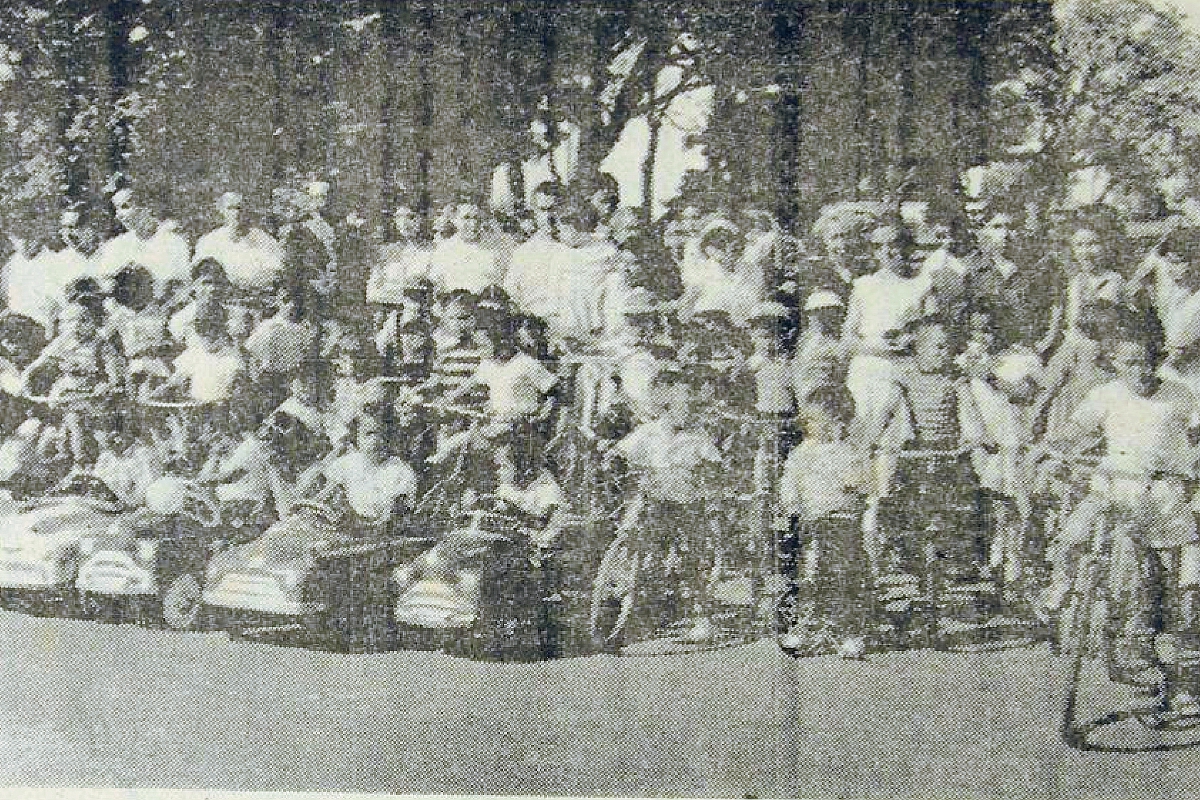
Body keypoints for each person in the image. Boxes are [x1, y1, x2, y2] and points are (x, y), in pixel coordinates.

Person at [1041, 307, 1200, 716]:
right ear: (1115, 362)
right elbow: (1074, 430)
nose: (1140, 370)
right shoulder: (1106, 395)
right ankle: (1063, 588)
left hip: (1162, 493)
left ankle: (1166, 656)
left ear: (1158, 359)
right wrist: (1052, 451)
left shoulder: (1180, 395)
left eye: (1148, 361)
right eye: (1130, 362)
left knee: (1174, 581)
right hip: (1113, 487)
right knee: (1073, 533)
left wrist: (1190, 472)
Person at [611, 367, 725, 643]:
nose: (687, 412)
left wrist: (707, 481)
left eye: (690, 406)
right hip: (653, 501)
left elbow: (713, 469)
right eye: (680, 406)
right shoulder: (648, 433)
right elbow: (620, 452)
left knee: (691, 560)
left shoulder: (698, 437)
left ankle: (702, 616)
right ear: (665, 407)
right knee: (635, 537)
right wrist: (612, 459)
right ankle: (625, 590)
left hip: (687, 503)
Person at [21, 293, 126, 471]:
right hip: (65, 393)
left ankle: (81, 463)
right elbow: (38, 365)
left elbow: (115, 373)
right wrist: (26, 379)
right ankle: (48, 463)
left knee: (76, 419)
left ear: (94, 323)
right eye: (70, 321)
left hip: (91, 395)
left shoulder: (100, 345)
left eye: (83, 320)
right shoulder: (62, 343)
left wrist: (109, 385)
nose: (77, 326)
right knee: (47, 424)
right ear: (62, 325)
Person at [841, 224, 934, 421]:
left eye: (893, 244)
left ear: (905, 247)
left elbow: (931, 334)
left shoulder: (919, 286)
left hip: (903, 365)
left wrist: (910, 341)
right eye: (878, 246)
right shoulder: (863, 286)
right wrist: (873, 349)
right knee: (863, 425)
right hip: (867, 365)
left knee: (894, 436)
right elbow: (848, 336)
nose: (886, 251)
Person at [96, 188, 191, 284]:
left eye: (125, 206)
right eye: (117, 209)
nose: (119, 215)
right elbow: (105, 282)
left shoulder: (175, 243)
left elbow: (182, 283)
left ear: (147, 207)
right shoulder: (115, 246)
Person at [193, 191, 283, 291]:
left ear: (246, 211)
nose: (236, 213)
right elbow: (201, 276)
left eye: (239, 208)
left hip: (257, 297)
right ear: (221, 211)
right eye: (230, 208)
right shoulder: (209, 241)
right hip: (222, 297)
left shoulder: (262, 238)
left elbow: (275, 271)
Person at [427, 202, 504, 294]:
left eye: (476, 218)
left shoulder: (493, 248)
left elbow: (502, 283)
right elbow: (436, 285)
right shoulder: (444, 250)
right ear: (454, 220)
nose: (473, 223)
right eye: (466, 218)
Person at [367, 205, 431, 305]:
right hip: (390, 311)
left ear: (422, 219)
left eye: (411, 217)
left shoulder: (430, 252)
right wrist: (401, 297)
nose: (405, 223)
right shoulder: (386, 253)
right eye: (399, 217)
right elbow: (372, 293)